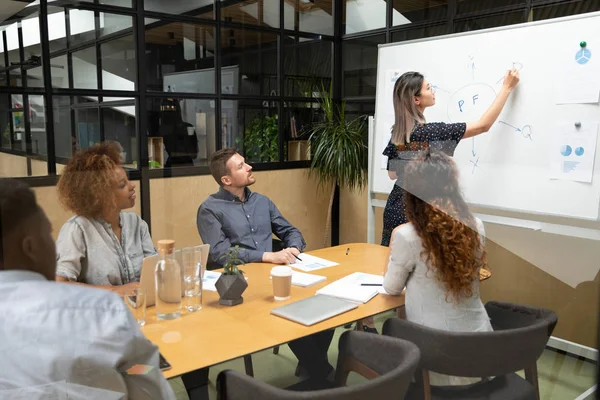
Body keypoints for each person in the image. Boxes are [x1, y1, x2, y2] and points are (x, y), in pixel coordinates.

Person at [0, 178, 175, 399]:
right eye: (48, 233)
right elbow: (146, 381)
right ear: (30, 247)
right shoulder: (99, 311)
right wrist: (137, 368)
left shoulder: (135, 223)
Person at [197, 148, 334, 381]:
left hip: (279, 277)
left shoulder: (262, 201)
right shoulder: (209, 209)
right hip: (243, 285)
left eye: (245, 163)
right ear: (226, 180)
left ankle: (313, 365)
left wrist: (293, 247)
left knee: (326, 308)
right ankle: (324, 374)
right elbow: (220, 253)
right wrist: (266, 256)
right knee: (288, 317)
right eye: (241, 166)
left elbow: (290, 231)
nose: (249, 167)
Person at [382, 149, 491, 386]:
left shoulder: (408, 236)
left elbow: (391, 288)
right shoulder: (477, 226)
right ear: (452, 186)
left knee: (390, 327)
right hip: (481, 350)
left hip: (435, 355)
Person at [381, 68, 520, 247]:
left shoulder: (398, 134)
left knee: (394, 266)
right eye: (428, 88)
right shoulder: (431, 132)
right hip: (418, 212)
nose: (433, 91)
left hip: (395, 209)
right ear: (416, 99)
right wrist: (507, 88)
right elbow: (482, 126)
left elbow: (392, 174)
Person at [54, 142, 156, 295]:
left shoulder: (136, 223)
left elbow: (154, 270)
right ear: (100, 195)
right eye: (122, 185)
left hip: (140, 313)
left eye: (128, 180)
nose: (132, 186)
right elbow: (60, 285)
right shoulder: (77, 229)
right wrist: (115, 290)